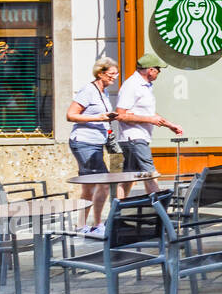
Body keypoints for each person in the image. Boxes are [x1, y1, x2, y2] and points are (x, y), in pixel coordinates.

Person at [114, 52, 183, 198]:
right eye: (158, 70)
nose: (159, 73)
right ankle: (160, 211)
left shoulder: (145, 86)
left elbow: (150, 114)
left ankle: (117, 211)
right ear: (151, 70)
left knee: (129, 176)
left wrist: (170, 125)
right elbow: (120, 115)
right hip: (134, 137)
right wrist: (149, 120)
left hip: (136, 138)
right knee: (150, 174)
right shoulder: (132, 85)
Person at [66, 57, 120, 236]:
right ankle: (97, 224)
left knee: (88, 187)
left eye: (116, 73)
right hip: (84, 143)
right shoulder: (88, 90)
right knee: (103, 184)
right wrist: (99, 118)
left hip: (96, 143)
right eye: (112, 74)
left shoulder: (103, 92)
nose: (115, 77)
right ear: (100, 73)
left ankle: (81, 226)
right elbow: (71, 115)